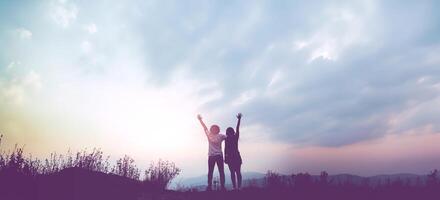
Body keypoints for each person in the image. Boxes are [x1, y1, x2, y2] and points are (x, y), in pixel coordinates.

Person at [197, 114, 226, 191]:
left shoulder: (221, 136)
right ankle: (210, 186)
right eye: (213, 129)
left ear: (218, 129)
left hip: (217, 156)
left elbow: (229, 137)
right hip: (213, 156)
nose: (214, 130)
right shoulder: (211, 135)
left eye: (215, 129)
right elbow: (204, 127)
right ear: (211, 129)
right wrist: (200, 120)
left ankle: (221, 186)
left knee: (220, 172)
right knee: (211, 172)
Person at [225, 113, 243, 190]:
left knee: (234, 173)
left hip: (232, 157)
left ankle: (236, 187)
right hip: (235, 157)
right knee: (237, 172)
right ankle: (237, 187)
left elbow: (225, 149)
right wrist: (239, 119)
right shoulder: (234, 137)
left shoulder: (229, 138)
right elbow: (237, 129)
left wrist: (239, 119)